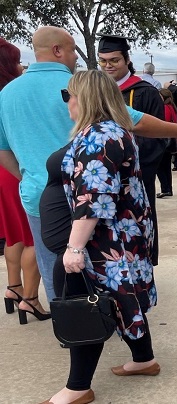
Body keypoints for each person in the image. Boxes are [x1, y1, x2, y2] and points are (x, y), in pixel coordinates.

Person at [0, 27, 177, 302]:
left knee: (52, 262)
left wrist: (33, 177)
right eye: (73, 49)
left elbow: (3, 151)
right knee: (99, 262)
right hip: (90, 195)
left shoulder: (7, 93)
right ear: (57, 50)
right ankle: (102, 317)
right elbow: (136, 121)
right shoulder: (79, 87)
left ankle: (68, 325)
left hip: (38, 197)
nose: (76, 56)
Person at [40, 70, 160, 404]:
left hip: (103, 242)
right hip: (119, 237)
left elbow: (93, 199)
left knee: (84, 304)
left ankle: (78, 388)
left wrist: (74, 248)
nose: (67, 102)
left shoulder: (99, 137)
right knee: (122, 296)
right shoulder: (112, 131)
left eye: (69, 95)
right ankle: (143, 359)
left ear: (86, 98)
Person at [97, 34, 166, 265]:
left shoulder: (145, 91)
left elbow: (158, 135)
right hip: (102, 169)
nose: (108, 65)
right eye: (103, 60)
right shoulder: (96, 91)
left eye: (114, 60)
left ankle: (143, 262)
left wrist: (129, 160)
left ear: (126, 59)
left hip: (137, 170)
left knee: (139, 217)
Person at [0, 38, 49, 324]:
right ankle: (30, 299)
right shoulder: (14, 93)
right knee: (34, 237)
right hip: (17, 167)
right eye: (17, 61)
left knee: (14, 233)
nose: (21, 66)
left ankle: (13, 287)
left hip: (2, 170)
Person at [156, 88, 177, 197]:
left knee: (159, 166)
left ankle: (165, 188)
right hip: (172, 139)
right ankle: (168, 188)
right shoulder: (172, 107)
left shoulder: (164, 108)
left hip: (164, 139)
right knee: (167, 166)